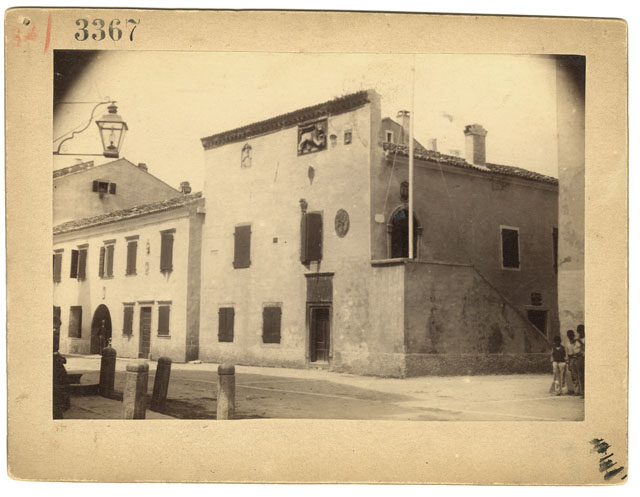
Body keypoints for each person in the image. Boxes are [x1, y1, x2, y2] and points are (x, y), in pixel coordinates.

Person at [53, 316, 70, 418]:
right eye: (53, 327)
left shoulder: (55, 337)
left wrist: (60, 357)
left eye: (56, 328)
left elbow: (55, 351)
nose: (55, 330)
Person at [566, 329, 584, 396]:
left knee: (580, 375)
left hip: (579, 358)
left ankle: (582, 391)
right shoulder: (568, 344)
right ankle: (577, 391)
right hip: (572, 360)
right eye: (569, 335)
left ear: (573, 335)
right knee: (574, 376)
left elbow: (583, 348)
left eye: (571, 335)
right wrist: (569, 364)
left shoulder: (578, 341)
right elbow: (568, 354)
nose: (570, 336)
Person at [576, 324, 585, 395]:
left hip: (585, 357)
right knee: (580, 375)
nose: (580, 332)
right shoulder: (577, 340)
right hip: (579, 358)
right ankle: (582, 391)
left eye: (582, 331)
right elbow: (575, 349)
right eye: (579, 331)